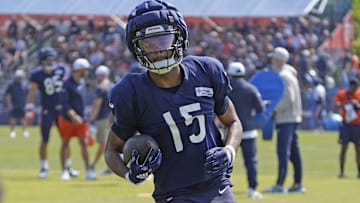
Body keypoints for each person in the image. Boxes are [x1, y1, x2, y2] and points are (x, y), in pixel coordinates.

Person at [104, 1, 243, 202]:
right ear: (136, 48)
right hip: (173, 195)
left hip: (218, 189)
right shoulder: (130, 92)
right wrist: (130, 175)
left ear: (179, 38)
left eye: (164, 40)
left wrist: (229, 151)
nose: (158, 50)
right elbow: (111, 150)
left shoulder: (206, 71)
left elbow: (233, 122)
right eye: (148, 44)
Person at [26, 47, 78, 179]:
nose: (51, 62)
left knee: (65, 139)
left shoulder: (61, 69)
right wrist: (29, 108)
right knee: (45, 139)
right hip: (47, 109)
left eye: (52, 59)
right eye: (48, 59)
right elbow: (32, 92)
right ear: (42, 61)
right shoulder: (36, 75)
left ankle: (68, 166)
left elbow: (68, 85)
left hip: (62, 109)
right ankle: (44, 167)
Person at [264, 47, 305, 193]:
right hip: (292, 117)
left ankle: (280, 184)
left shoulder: (283, 76)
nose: (271, 61)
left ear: (278, 60)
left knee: (283, 151)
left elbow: (288, 98)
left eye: (273, 58)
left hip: (286, 118)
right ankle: (297, 183)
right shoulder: (289, 73)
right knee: (294, 152)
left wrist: (273, 109)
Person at [227, 62, 264, 199]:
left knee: (226, 161)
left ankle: (222, 188)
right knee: (251, 161)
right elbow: (260, 109)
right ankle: (252, 188)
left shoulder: (226, 89)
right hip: (248, 130)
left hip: (229, 130)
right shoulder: (251, 89)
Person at [58, 58, 96, 180]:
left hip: (81, 120)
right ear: (79, 70)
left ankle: (88, 171)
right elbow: (65, 103)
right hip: (68, 119)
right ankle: (64, 171)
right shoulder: (67, 83)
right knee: (65, 143)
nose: (87, 72)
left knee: (84, 144)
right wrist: (73, 116)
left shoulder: (83, 82)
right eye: (85, 70)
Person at [88, 65, 114, 174]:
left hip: (102, 119)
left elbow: (96, 106)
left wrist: (90, 119)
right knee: (111, 143)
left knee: (103, 144)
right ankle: (110, 167)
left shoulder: (100, 88)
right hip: (113, 118)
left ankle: (92, 165)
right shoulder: (113, 86)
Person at [335, 78, 360, 178]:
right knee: (343, 148)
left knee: (358, 149)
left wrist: (356, 104)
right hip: (346, 125)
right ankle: (342, 172)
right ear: (350, 87)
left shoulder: (358, 94)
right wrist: (347, 102)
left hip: (357, 125)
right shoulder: (342, 94)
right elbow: (337, 105)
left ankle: (359, 172)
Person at [5, 69, 29, 138]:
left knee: (23, 119)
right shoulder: (11, 85)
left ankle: (25, 132)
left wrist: (27, 104)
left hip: (22, 105)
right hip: (14, 104)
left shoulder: (24, 85)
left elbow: (28, 95)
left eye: (21, 77)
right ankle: (12, 132)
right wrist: (9, 104)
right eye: (19, 77)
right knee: (13, 119)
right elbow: (8, 95)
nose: (20, 78)